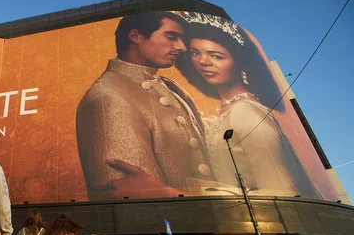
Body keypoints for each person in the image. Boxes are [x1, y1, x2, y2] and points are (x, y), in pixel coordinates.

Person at [175, 12, 320, 198]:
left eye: (216, 56)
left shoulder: (247, 113)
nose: (203, 62)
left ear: (239, 64)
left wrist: (199, 190)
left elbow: (281, 191)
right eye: (195, 53)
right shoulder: (226, 112)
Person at [76, 11, 215, 200]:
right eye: (171, 37)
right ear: (135, 36)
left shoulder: (170, 86)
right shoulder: (106, 95)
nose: (181, 47)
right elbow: (136, 205)